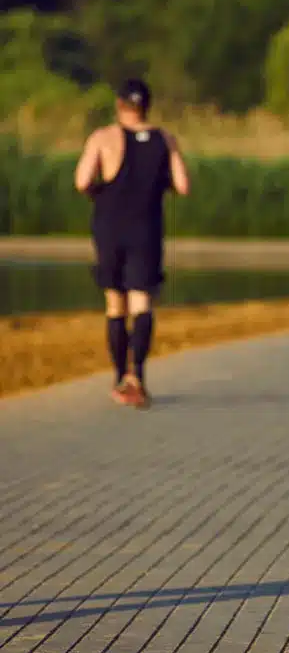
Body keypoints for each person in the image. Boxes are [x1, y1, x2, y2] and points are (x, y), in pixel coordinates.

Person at [73, 78, 190, 408]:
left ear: (119, 105)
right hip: (147, 230)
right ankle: (137, 377)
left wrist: (98, 192)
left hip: (109, 228)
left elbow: (81, 180)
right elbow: (183, 186)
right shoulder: (164, 139)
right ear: (147, 107)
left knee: (115, 304)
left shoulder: (103, 137)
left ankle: (117, 379)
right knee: (141, 304)